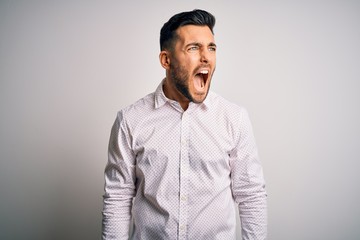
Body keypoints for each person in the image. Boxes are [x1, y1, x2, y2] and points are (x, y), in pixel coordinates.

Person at [102, 9, 267, 240]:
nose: (206, 57)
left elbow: (251, 195)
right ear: (166, 60)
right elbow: (117, 198)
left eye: (211, 47)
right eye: (193, 48)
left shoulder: (234, 118)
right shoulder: (131, 120)